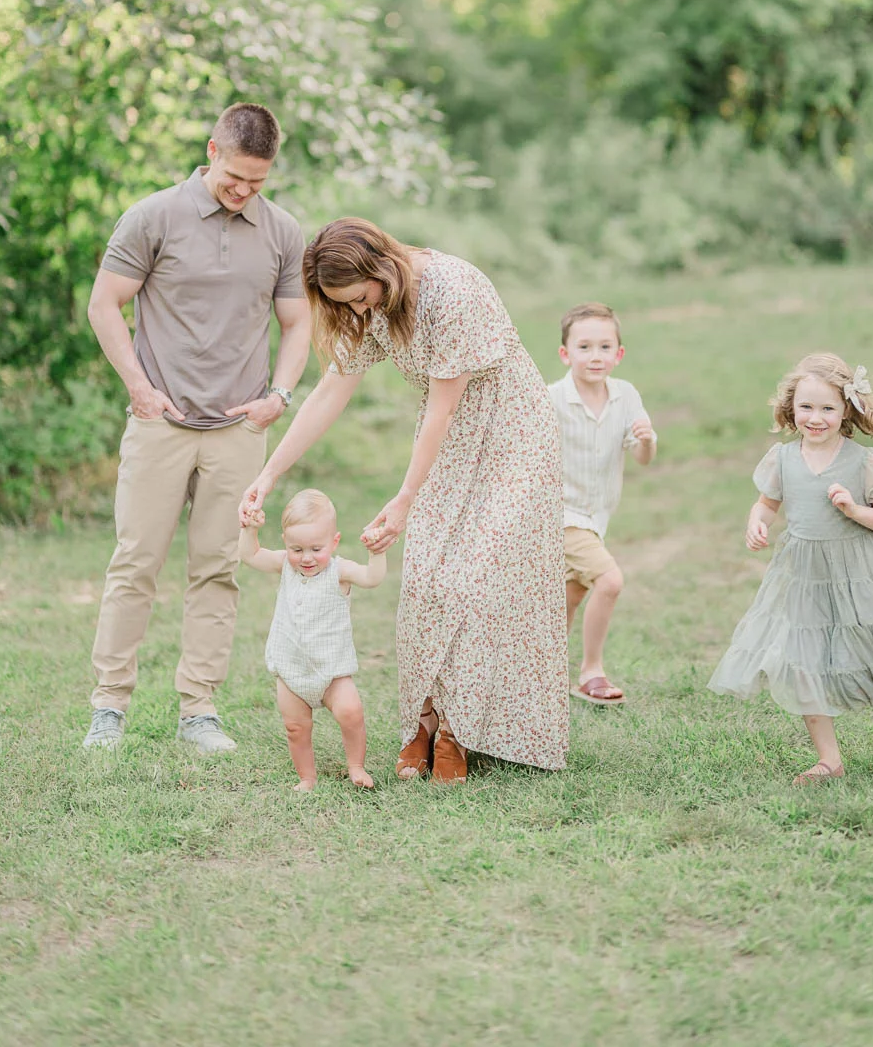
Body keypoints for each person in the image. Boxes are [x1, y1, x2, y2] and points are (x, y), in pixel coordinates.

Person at [238, 218, 569, 785]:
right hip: (447, 438)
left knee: (474, 581)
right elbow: (331, 390)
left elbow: (443, 406)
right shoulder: (366, 305)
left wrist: (404, 498)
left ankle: (459, 733)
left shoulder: (451, 290)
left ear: (381, 267)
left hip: (512, 433)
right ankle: (424, 721)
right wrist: (268, 473)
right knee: (425, 580)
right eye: (348, 306)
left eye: (363, 298)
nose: (361, 313)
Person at [81, 103, 311, 755]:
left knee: (218, 569)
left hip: (239, 430)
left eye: (257, 183)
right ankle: (109, 707)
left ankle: (199, 711)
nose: (243, 192)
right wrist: (138, 388)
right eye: (235, 177)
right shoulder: (153, 216)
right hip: (162, 425)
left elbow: (298, 324)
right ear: (212, 150)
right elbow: (104, 305)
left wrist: (280, 396)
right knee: (135, 565)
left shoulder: (282, 232)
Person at [708, 353, 873, 783]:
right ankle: (830, 759)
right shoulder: (783, 459)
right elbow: (767, 503)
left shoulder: (865, 462)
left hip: (860, 572)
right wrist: (757, 522)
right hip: (803, 573)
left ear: (847, 410)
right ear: (791, 407)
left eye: (828, 408)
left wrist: (854, 509)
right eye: (806, 407)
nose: (816, 417)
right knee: (799, 660)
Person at [238, 488, 387, 790]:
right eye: (297, 549)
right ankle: (307, 777)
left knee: (351, 713)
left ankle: (356, 766)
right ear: (286, 544)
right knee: (296, 727)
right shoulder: (285, 565)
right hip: (291, 670)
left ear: (334, 542)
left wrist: (377, 553)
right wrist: (251, 529)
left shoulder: (339, 571)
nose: (306, 558)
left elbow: (372, 579)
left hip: (332, 671)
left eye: (316, 549)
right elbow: (250, 555)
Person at [549, 302, 656, 706]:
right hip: (559, 515)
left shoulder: (625, 395)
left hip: (597, 517)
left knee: (571, 595)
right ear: (566, 353)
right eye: (585, 347)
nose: (595, 356)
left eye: (605, 347)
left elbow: (643, 458)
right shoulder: (552, 399)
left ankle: (542, 670)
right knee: (609, 581)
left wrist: (645, 439)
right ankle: (591, 670)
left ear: (619, 354)